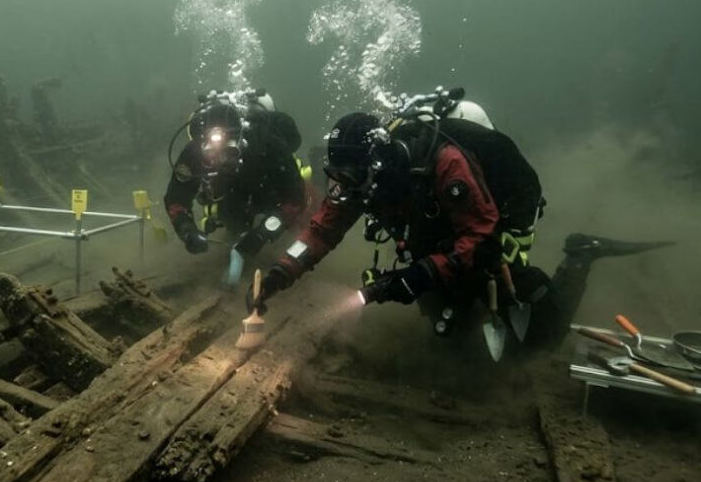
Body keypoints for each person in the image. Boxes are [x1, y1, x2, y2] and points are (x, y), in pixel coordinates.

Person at [249, 89, 671, 350]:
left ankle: (579, 256)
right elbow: (320, 231)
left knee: (540, 335)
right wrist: (280, 274)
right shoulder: (360, 181)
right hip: (435, 245)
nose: (343, 186)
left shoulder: (445, 165)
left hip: (482, 233)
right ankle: (457, 305)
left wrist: (415, 276)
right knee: (448, 336)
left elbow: (478, 234)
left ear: (376, 162)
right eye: (336, 176)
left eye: (351, 175)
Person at [164, 89, 310, 260]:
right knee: (232, 222)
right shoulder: (194, 152)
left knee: (299, 221)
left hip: (268, 190)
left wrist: (263, 233)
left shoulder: (268, 145)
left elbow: (294, 200)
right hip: (231, 198)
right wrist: (187, 230)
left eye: (229, 150)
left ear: (242, 140)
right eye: (213, 152)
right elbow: (176, 197)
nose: (221, 159)